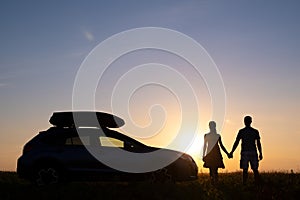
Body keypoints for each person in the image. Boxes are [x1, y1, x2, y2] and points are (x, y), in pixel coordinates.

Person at [229, 116, 263, 185]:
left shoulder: (242, 131)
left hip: (245, 152)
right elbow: (258, 143)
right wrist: (260, 153)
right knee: (255, 169)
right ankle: (256, 183)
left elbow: (237, 142)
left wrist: (232, 152)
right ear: (251, 122)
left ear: (244, 122)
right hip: (253, 152)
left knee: (245, 169)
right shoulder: (255, 131)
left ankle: (245, 184)